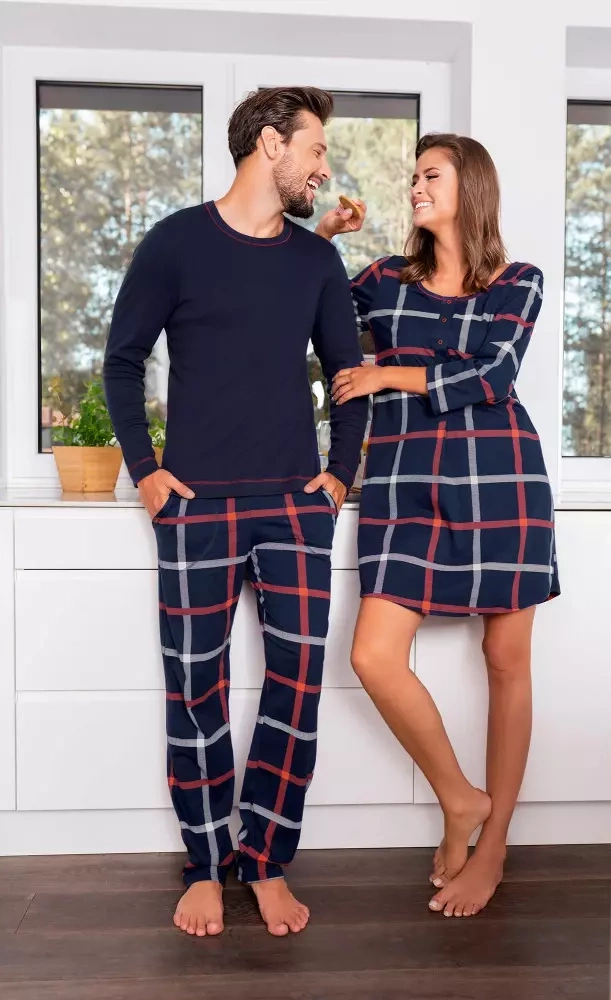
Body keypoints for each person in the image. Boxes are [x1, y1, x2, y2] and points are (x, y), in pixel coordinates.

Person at [103, 87, 367, 938]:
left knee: (296, 686)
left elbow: (347, 377)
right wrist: (146, 472)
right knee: (197, 688)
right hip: (196, 509)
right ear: (270, 144)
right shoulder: (175, 244)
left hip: (296, 509)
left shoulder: (316, 262)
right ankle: (207, 863)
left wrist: (338, 477)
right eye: (315, 148)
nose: (323, 167)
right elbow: (121, 360)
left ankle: (267, 861)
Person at [316, 133, 559, 918]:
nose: (416, 186)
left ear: (470, 188)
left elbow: (495, 374)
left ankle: (493, 848)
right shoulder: (383, 281)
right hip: (403, 485)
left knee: (506, 662)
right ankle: (461, 798)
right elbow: (307, 317)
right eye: (414, 176)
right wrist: (322, 238)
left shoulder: (518, 281)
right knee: (372, 655)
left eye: (432, 175)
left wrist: (386, 372)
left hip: (502, 481)